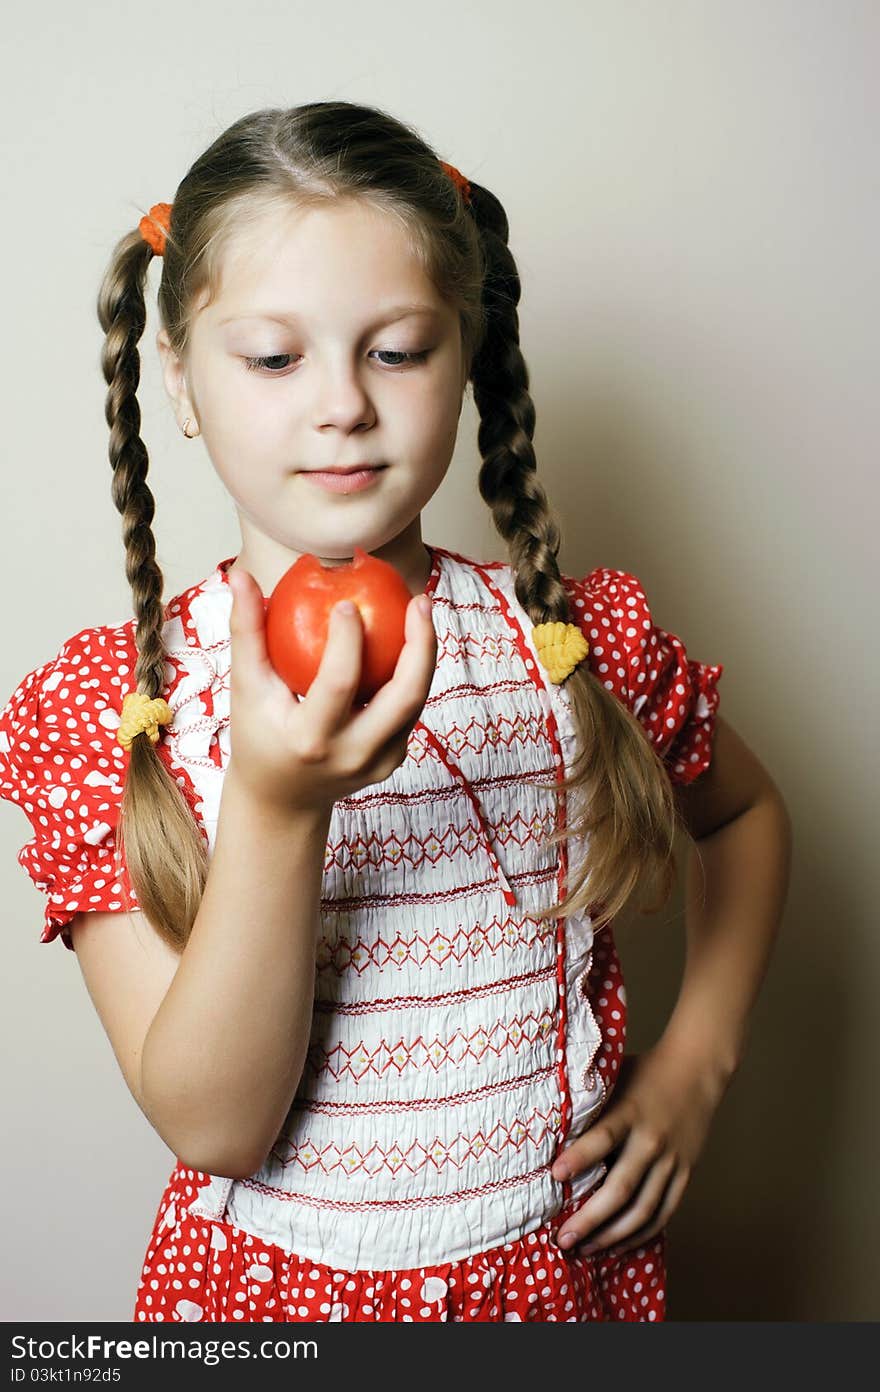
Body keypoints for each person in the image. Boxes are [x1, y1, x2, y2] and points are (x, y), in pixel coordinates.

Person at [0, 101, 791, 1323]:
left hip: (550, 1284)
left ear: (465, 354)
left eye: (397, 350)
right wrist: (275, 802)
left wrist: (694, 1067)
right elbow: (214, 1126)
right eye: (273, 357)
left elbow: (744, 816)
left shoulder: (567, 648)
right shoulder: (118, 710)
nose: (341, 407)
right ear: (183, 381)